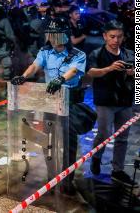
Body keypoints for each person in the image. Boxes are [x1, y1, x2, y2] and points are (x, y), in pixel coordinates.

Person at [11, 17, 87, 195]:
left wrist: (61, 80)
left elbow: (74, 70)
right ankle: (52, 176)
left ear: (65, 36)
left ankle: (68, 180)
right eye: (50, 35)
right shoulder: (45, 51)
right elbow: (35, 66)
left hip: (69, 104)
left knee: (69, 145)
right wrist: (23, 76)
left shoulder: (78, 54)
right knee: (48, 141)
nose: (52, 39)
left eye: (56, 35)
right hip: (50, 103)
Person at [87, 20, 136, 186]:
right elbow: (91, 72)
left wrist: (133, 72)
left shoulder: (129, 54)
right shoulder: (97, 54)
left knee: (123, 138)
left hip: (125, 100)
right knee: (104, 134)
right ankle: (96, 157)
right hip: (105, 100)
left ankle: (118, 170)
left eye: (119, 37)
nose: (116, 40)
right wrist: (109, 68)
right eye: (112, 36)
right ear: (105, 36)